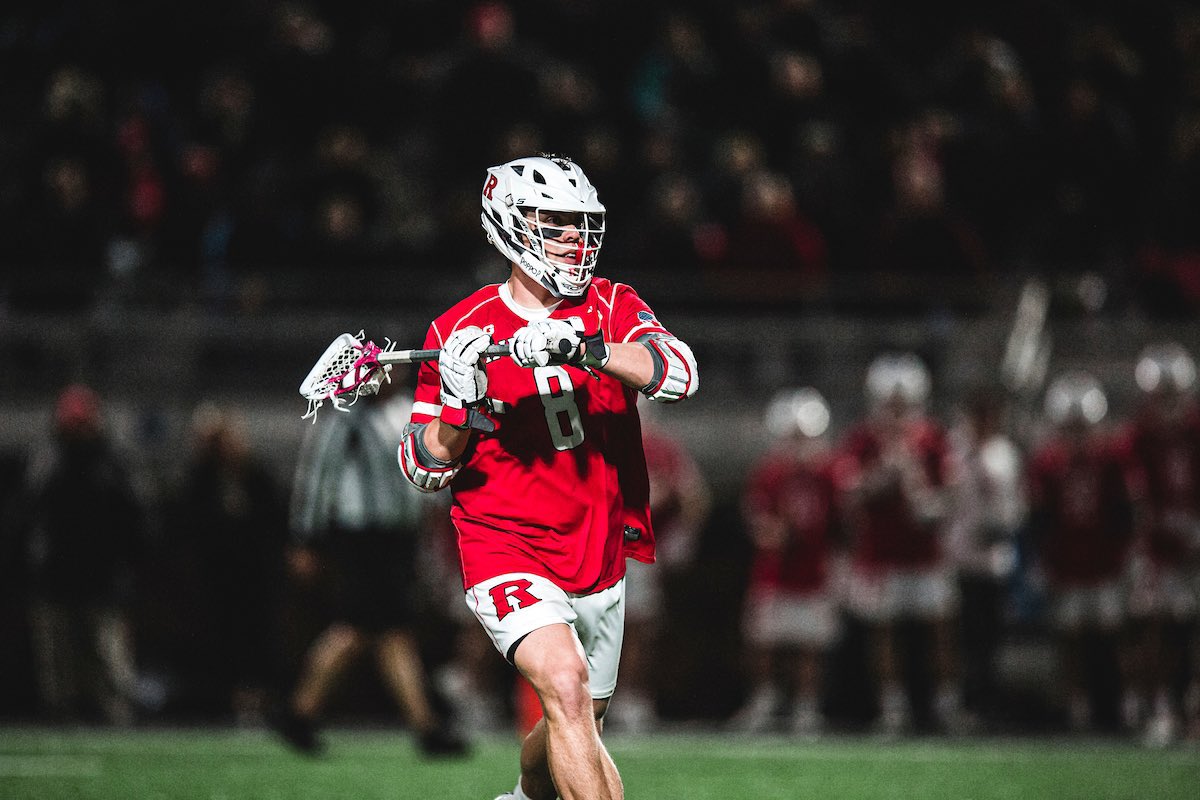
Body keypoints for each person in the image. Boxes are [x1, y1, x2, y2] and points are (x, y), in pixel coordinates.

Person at [397, 154, 698, 800]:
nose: (573, 239)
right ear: (508, 225)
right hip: (503, 542)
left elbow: (679, 372)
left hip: (595, 545)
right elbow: (423, 467)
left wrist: (584, 347)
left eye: (580, 224)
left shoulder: (610, 304)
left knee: (578, 716)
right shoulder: (459, 329)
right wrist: (458, 404)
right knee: (564, 685)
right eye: (555, 223)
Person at [275, 393, 467, 756]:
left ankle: (302, 712)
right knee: (365, 627)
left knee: (382, 629)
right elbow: (318, 476)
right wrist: (305, 537)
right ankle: (424, 726)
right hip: (360, 537)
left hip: (396, 539)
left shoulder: (402, 411)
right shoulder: (344, 419)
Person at [835, 353, 964, 736]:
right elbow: (847, 491)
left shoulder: (933, 437)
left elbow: (952, 491)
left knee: (939, 631)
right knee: (884, 632)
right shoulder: (863, 439)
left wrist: (926, 499)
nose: (895, 412)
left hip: (925, 553)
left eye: (902, 404)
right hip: (880, 553)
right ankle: (893, 707)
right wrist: (882, 477)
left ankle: (945, 703)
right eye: (890, 404)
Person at [16, 384, 143, 724]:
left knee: (107, 657)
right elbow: (29, 514)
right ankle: (60, 718)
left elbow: (134, 516)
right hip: (54, 576)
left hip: (102, 577)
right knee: (58, 662)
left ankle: (117, 719)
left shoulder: (113, 461)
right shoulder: (46, 459)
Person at [1027, 371, 1136, 733]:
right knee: (1070, 639)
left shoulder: (1112, 459)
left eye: (1081, 426)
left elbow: (1125, 512)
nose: (1076, 434)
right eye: (1070, 427)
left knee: (1114, 635)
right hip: (1067, 562)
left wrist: (1126, 554)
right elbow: (1040, 518)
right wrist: (1043, 560)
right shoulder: (1047, 463)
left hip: (1105, 561)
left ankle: (1122, 703)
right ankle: (1077, 706)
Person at [732, 387, 844, 737]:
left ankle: (805, 706)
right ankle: (765, 700)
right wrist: (774, 531)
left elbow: (843, 521)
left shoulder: (828, 473)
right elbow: (758, 521)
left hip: (814, 572)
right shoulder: (770, 473)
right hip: (775, 573)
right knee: (764, 644)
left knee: (810, 646)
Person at [1121, 343, 1200, 745]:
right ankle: (1163, 706)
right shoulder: (1139, 436)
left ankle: (1192, 709)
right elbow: (1136, 498)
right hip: (1160, 549)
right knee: (1159, 628)